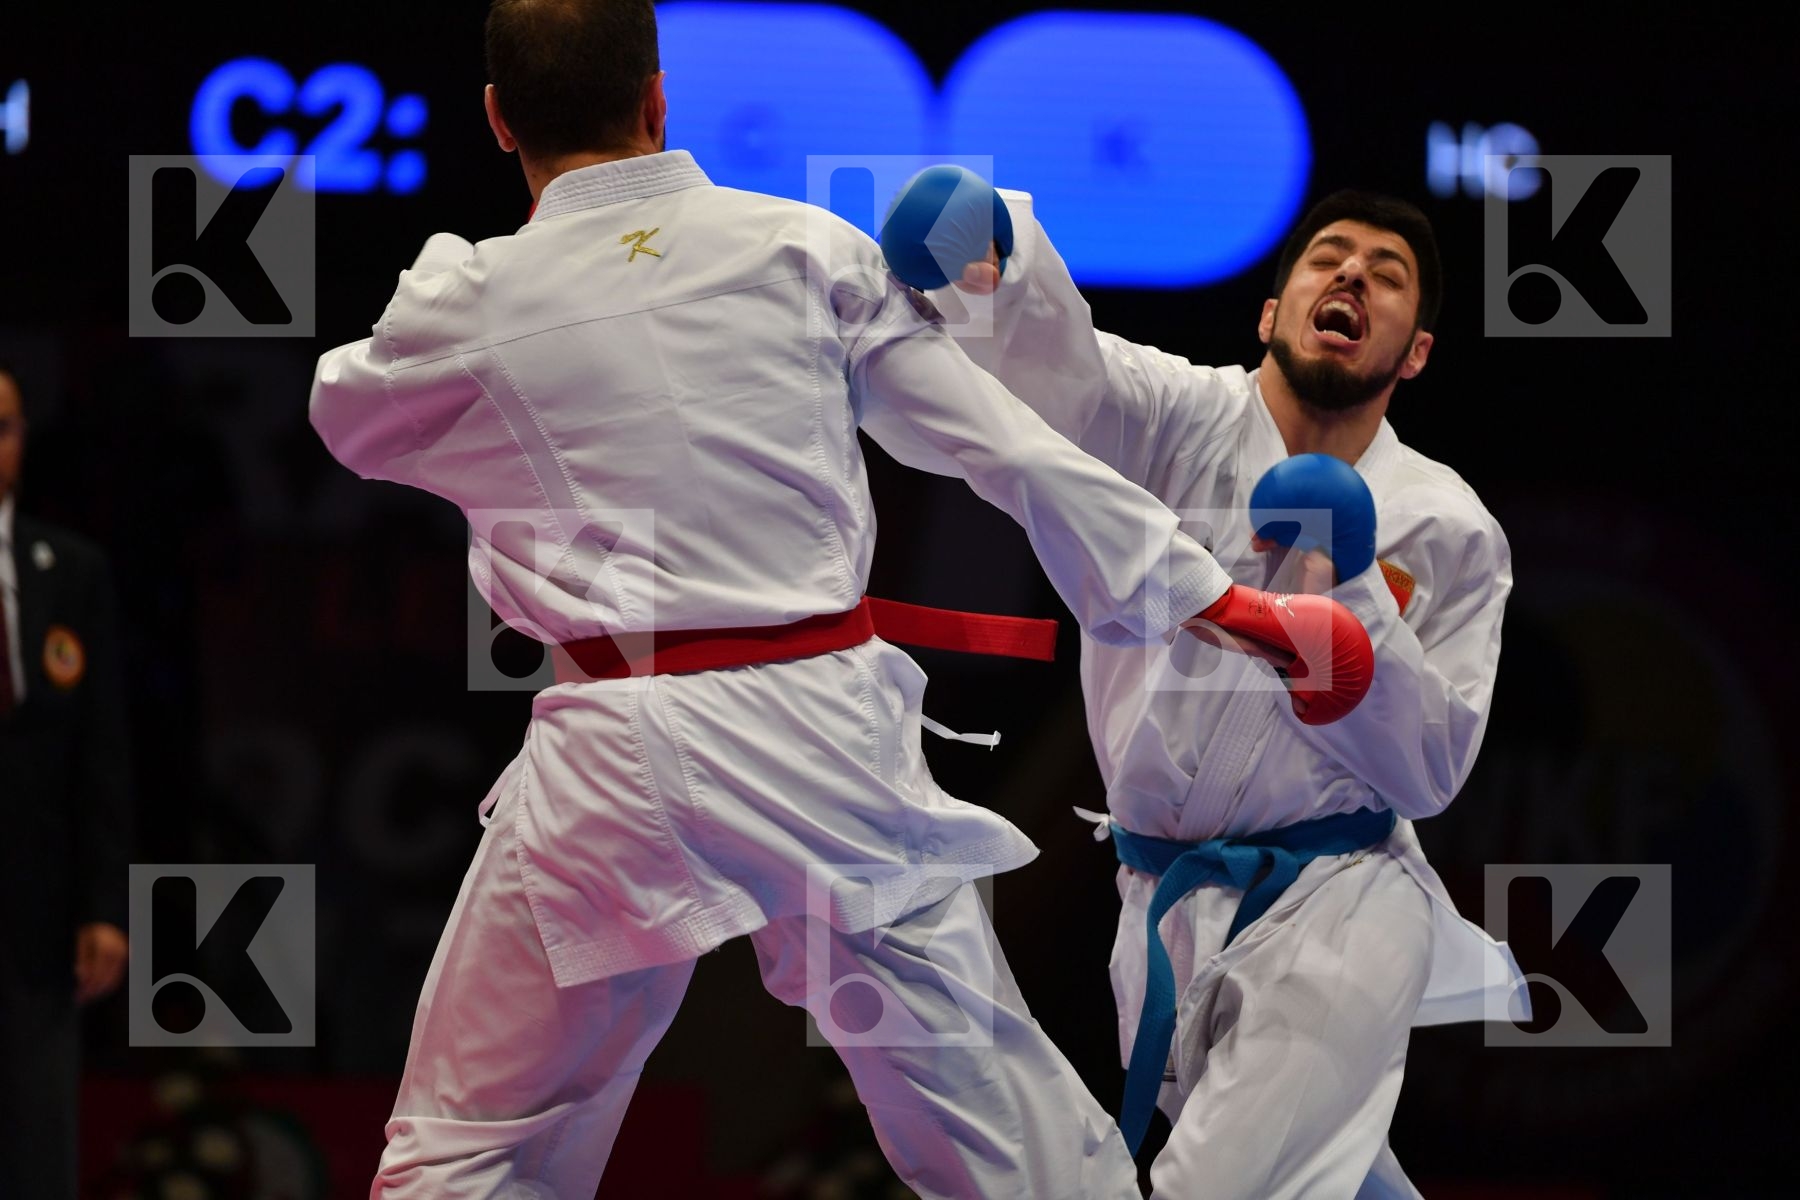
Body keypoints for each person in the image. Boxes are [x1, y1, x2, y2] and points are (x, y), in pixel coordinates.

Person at [306, 3, 1373, 1197]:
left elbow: (347, 418)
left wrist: (492, 318)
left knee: (474, 1148)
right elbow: (1004, 448)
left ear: (499, 120)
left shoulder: (464, 300)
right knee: (1007, 1136)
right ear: (658, 99)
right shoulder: (801, 248)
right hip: (818, 749)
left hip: (612, 766)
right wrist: (1229, 605)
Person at [914, 184, 1528, 1197]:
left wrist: (1354, 590)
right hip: (1161, 899)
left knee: (1216, 1185)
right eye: (1329, 257)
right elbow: (1066, 377)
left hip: (1341, 900)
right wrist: (1000, 262)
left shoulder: (1447, 527)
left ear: (1415, 351)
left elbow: (1430, 771)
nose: (1352, 276)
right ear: (1270, 312)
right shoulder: (1172, 418)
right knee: (1331, 1182)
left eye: (1387, 276)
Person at [0, 362, 133, 1200]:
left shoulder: (70, 571)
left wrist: (105, 907)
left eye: (2, 426)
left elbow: (102, 754)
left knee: (36, 1130)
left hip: (36, 907)